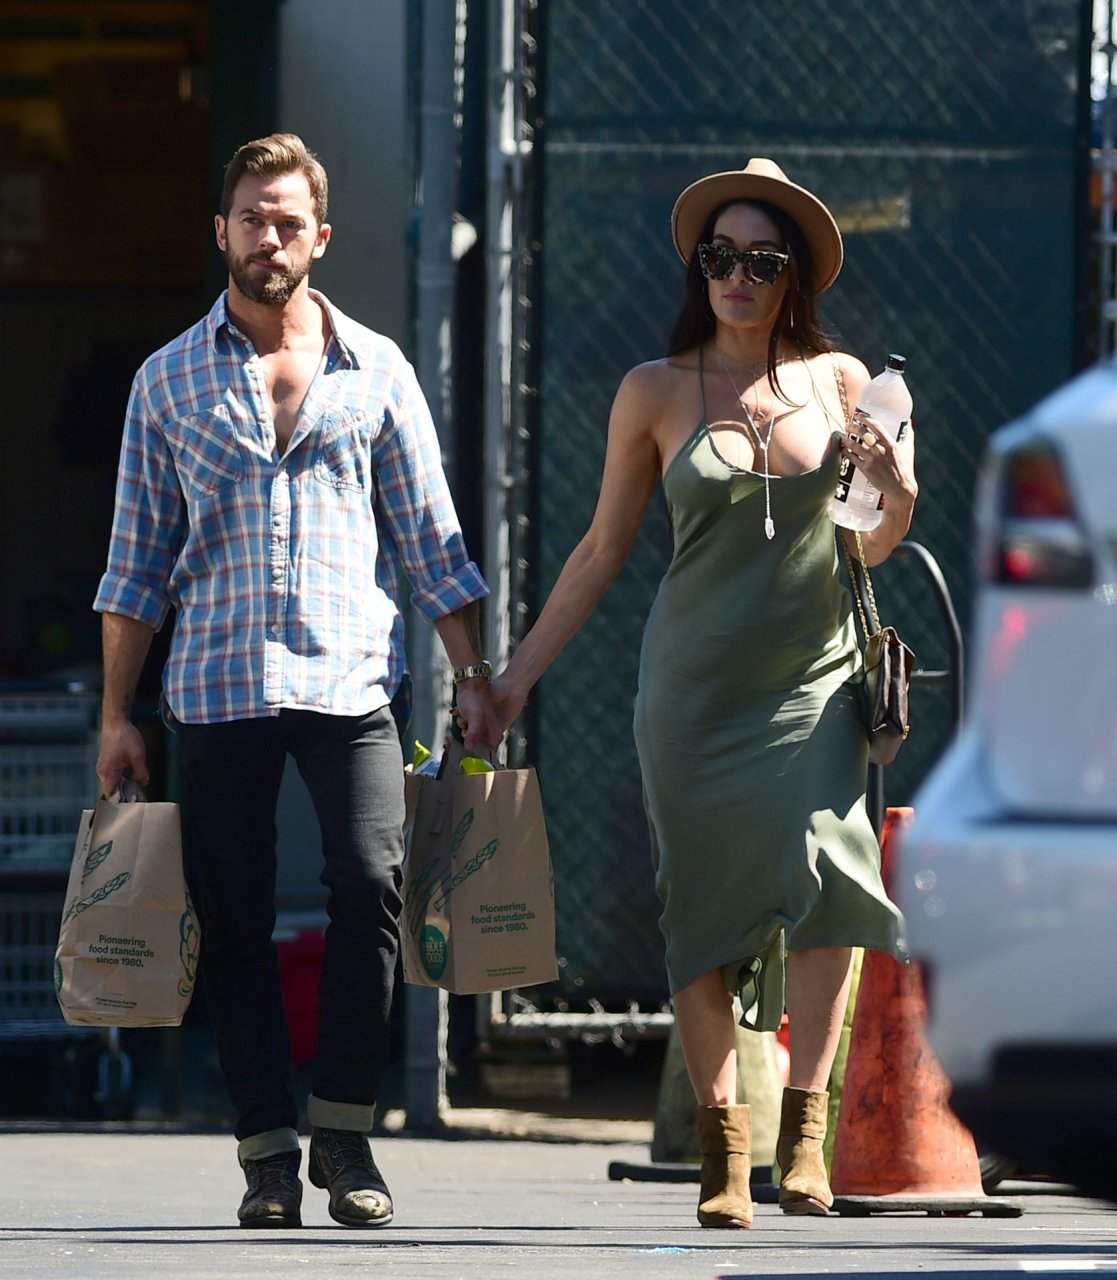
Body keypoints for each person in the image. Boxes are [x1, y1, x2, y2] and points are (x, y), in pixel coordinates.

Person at [490, 158, 916, 1227]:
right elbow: (600, 550)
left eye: (762, 261)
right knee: (699, 907)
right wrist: (511, 681)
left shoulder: (842, 382)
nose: (738, 276)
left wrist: (897, 488)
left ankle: (805, 1137)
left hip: (813, 679)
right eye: (720, 256)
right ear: (699, 268)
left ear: (792, 275)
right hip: (690, 692)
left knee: (831, 881)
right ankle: (726, 1150)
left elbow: (870, 541)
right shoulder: (654, 388)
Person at [94, 133, 501, 1230]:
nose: (267, 237)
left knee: (371, 883)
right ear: (220, 232)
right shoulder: (166, 379)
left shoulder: (378, 371)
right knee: (231, 917)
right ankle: (266, 1151)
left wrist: (473, 675)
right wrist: (117, 714)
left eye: (287, 221)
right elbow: (134, 566)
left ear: (319, 237)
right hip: (214, 683)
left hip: (349, 677)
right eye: (250, 218)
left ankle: (346, 1133)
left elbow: (430, 540)